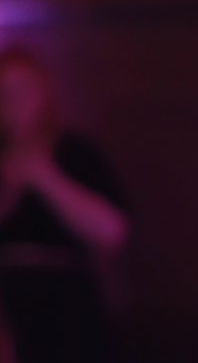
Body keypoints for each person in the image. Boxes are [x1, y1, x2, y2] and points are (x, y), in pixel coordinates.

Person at [0, 46, 129, 363]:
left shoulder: (76, 154)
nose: (15, 103)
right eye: (5, 93)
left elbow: (113, 232)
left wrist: (44, 176)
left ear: (45, 93)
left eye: (24, 90)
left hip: (67, 309)